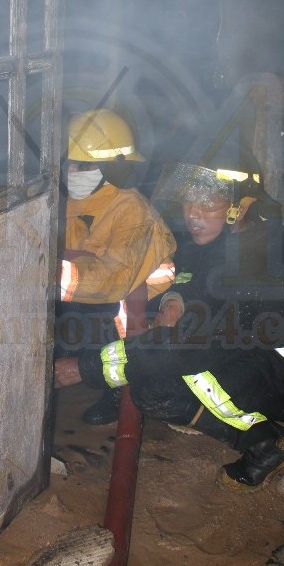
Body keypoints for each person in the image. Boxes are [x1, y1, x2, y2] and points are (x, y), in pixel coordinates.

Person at [54, 139, 284, 490]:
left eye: (208, 202)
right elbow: (195, 276)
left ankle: (267, 441)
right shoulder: (244, 232)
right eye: (188, 200)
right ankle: (272, 399)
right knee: (166, 350)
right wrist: (176, 299)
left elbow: (185, 349)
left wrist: (84, 368)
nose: (192, 214)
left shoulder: (254, 262)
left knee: (156, 387)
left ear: (240, 203)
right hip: (272, 354)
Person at [54, 108, 177, 425]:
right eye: (71, 163)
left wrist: (50, 275)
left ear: (112, 168)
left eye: (84, 165)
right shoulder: (74, 201)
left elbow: (115, 279)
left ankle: (119, 391)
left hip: (139, 298)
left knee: (114, 324)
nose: (74, 171)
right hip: (94, 288)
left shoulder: (131, 210)